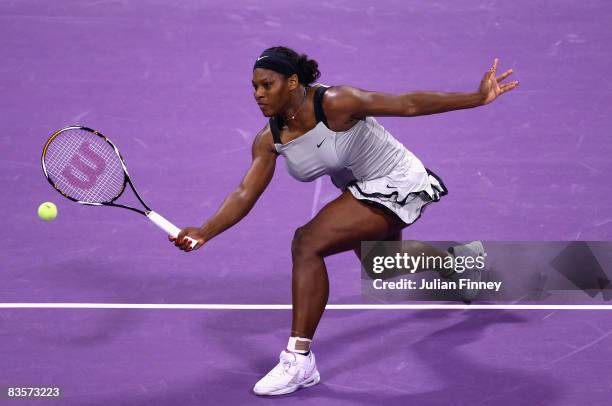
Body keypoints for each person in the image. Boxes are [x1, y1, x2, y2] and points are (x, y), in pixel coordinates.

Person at [169, 46, 519, 396]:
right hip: (359, 189)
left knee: (307, 243)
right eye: (254, 86)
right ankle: (459, 265)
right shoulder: (270, 140)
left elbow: (407, 104)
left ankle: (299, 359)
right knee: (384, 267)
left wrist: (477, 97)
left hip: (394, 179)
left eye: (267, 85)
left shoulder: (336, 102)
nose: (258, 94)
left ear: (292, 82)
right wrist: (206, 230)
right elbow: (246, 192)